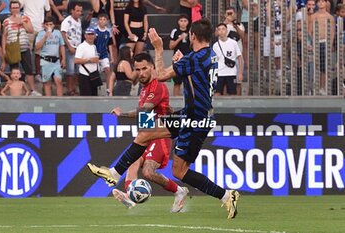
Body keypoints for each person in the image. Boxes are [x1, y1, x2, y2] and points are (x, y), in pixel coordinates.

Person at [87, 18, 240, 219]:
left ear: (192, 35)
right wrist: (181, 64)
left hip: (194, 118)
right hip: (195, 115)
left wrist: (159, 48)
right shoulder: (209, 55)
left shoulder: (193, 59)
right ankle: (227, 195)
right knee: (170, 161)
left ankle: (114, 173)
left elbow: (159, 75)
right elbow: (195, 78)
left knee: (162, 151)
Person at [110, 52, 189, 212]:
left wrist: (122, 114)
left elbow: (144, 110)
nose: (141, 73)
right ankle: (129, 195)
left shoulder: (158, 86)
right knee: (132, 162)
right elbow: (146, 116)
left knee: (147, 171)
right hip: (148, 134)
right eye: (137, 69)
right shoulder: (144, 89)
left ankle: (179, 191)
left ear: (152, 67)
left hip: (160, 136)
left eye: (144, 68)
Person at [2, 0, 41, 96]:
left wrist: (22, 23)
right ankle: (13, 90)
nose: (15, 9)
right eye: (13, 8)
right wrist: (4, 50)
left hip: (24, 47)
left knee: (28, 69)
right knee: (14, 70)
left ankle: (32, 90)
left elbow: (31, 30)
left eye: (17, 7)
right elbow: (4, 36)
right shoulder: (6, 21)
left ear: (19, 8)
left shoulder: (26, 18)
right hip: (12, 49)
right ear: (10, 9)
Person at [309, 0, 335, 95]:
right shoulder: (313, 16)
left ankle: (322, 87)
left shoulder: (330, 17)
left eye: (323, 1)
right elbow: (309, 31)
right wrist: (312, 43)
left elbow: (332, 32)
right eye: (319, 1)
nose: (321, 3)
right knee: (315, 66)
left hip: (325, 43)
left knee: (324, 67)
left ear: (326, 3)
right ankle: (315, 87)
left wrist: (330, 44)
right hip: (316, 43)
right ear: (316, 3)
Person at [35, 16, 66, 96]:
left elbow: (61, 45)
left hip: (56, 60)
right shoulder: (40, 33)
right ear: (44, 25)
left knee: (58, 80)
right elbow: (37, 46)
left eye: (50, 24)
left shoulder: (57, 33)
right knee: (47, 82)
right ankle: (48, 101)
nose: (49, 26)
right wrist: (45, 37)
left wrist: (63, 59)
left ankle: (60, 100)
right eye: (47, 24)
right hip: (46, 61)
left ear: (54, 25)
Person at [213, 23, 243, 96]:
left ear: (226, 30)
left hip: (231, 72)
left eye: (223, 29)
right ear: (217, 32)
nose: (221, 31)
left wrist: (240, 73)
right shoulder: (215, 45)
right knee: (217, 93)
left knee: (232, 93)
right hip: (219, 73)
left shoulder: (233, 43)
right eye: (219, 29)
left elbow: (239, 57)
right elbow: (214, 60)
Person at [61, 2, 83, 96]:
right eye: (77, 11)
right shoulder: (67, 21)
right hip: (70, 48)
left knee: (77, 71)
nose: (79, 13)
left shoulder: (79, 21)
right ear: (72, 11)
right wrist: (69, 46)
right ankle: (69, 90)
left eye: (80, 11)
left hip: (78, 48)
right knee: (70, 71)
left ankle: (74, 88)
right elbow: (63, 33)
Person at [75, 27, 100, 96]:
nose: (90, 36)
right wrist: (89, 60)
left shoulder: (94, 46)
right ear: (85, 36)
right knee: (85, 98)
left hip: (93, 75)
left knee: (94, 97)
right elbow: (76, 60)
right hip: (84, 75)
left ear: (95, 36)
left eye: (92, 34)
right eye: (88, 34)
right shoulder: (81, 46)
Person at [169, 14, 190, 96]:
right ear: (178, 22)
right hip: (177, 59)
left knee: (188, 81)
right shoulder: (175, 31)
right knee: (177, 82)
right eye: (181, 21)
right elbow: (171, 46)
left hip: (188, 58)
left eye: (185, 21)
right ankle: (175, 99)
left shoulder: (190, 31)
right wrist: (179, 38)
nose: (183, 23)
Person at [94, 13, 114, 96]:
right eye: (100, 19)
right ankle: (95, 89)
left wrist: (111, 56)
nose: (102, 21)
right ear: (98, 21)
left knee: (108, 70)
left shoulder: (108, 32)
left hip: (104, 54)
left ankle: (108, 90)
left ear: (107, 21)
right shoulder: (95, 31)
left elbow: (110, 44)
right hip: (95, 55)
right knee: (95, 73)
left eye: (104, 19)